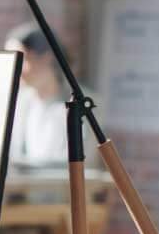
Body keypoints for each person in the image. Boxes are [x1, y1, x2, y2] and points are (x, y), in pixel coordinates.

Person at [6, 22, 96, 165]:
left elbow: (82, 162)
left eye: (21, 61)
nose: (15, 70)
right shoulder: (21, 102)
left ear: (46, 58)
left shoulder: (81, 102)